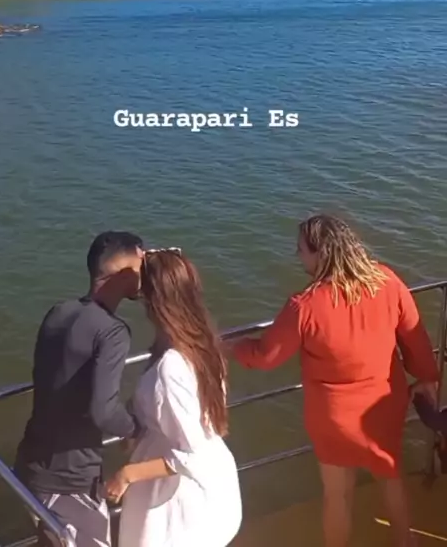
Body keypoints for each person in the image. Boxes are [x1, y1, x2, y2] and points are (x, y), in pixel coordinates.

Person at [229, 214, 439, 547]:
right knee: (390, 476)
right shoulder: (387, 281)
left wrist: (228, 347)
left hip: (333, 418)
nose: (298, 255)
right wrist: (427, 377)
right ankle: (406, 541)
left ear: (320, 254)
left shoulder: (305, 305)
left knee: (337, 495)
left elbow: (266, 356)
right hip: (384, 406)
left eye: (301, 250)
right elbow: (416, 338)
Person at [14, 230, 145, 547]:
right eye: (142, 264)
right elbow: (104, 410)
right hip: (70, 482)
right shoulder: (113, 332)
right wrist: (136, 429)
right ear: (124, 271)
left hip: (30, 467)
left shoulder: (58, 312)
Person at [106, 248, 242, 547]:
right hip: (214, 477)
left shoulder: (171, 366)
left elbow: (191, 454)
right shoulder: (204, 345)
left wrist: (126, 474)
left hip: (176, 496)